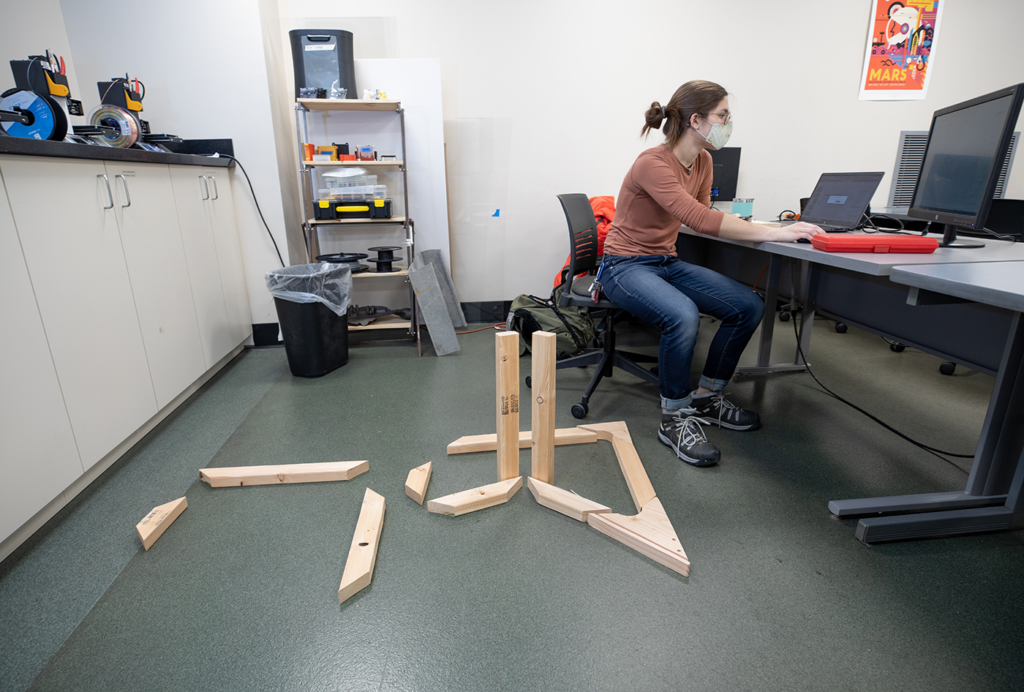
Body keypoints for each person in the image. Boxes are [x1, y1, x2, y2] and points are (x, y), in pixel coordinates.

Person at [600, 80, 823, 467]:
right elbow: (699, 218)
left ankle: (706, 396)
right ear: (696, 119)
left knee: (747, 306)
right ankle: (674, 417)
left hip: (664, 261)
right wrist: (775, 232)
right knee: (682, 315)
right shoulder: (652, 163)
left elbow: (700, 214)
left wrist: (750, 227)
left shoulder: (702, 161)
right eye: (723, 116)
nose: (727, 123)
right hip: (623, 265)